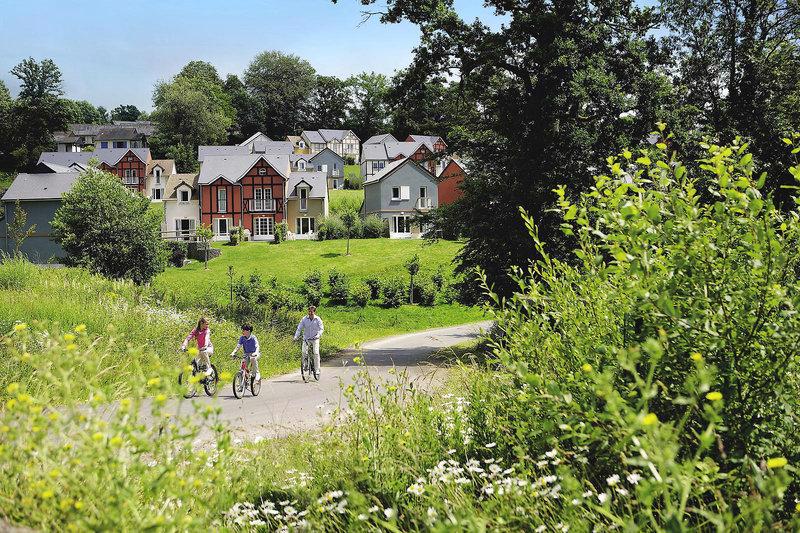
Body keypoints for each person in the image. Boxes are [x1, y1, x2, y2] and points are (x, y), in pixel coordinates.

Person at [294, 305, 324, 377]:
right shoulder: (304, 319)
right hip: (306, 338)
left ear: (314, 312)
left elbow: (321, 329)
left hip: (315, 339)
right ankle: (306, 365)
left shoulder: (318, 319)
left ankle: (317, 369)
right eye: (309, 311)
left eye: (312, 311)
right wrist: (296, 336)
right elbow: (299, 328)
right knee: (304, 352)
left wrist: (318, 335)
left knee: (316, 353)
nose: (310, 313)